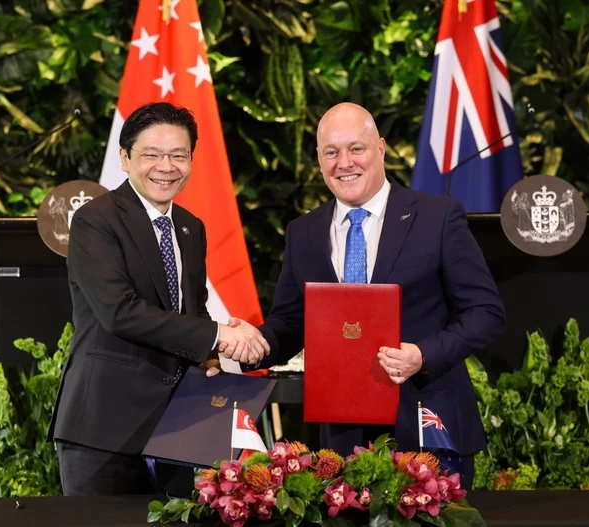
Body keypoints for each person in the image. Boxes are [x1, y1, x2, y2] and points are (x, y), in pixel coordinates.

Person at [227, 102, 506, 490]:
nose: (344, 163)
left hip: (428, 426)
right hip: (342, 438)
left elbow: (486, 312)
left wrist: (423, 355)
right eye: (331, 152)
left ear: (381, 149)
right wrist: (249, 344)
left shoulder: (437, 218)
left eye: (356, 148)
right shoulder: (303, 232)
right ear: (319, 159)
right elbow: (291, 323)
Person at [48, 102, 269, 496]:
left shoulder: (189, 227)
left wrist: (209, 355)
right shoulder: (95, 220)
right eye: (151, 154)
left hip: (178, 429)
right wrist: (219, 334)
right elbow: (120, 312)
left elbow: (192, 310)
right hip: (104, 428)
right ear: (124, 158)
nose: (166, 167)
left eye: (179, 155)